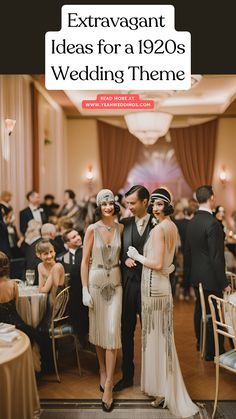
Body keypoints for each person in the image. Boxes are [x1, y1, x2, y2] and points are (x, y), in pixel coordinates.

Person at [127, 188, 199, 418]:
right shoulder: (172, 226)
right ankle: (162, 389)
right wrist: (165, 267)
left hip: (154, 290)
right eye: (154, 204)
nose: (156, 208)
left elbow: (157, 263)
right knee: (160, 340)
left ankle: (164, 390)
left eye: (160, 205)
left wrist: (136, 256)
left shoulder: (159, 229)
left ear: (167, 206)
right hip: (161, 287)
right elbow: (167, 262)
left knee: (158, 340)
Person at [81, 189, 123, 412]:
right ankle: (102, 370)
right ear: (99, 207)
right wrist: (84, 289)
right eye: (103, 204)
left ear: (115, 205)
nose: (107, 207)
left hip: (116, 285)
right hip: (95, 283)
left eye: (110, 204)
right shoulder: (91, 229)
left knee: (111, 331)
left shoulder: (121, 227)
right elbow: (84, 261)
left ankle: (109, 385)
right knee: (98, 330)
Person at [114, 185, 153, 392]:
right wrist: (124, 260)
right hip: (129, 286)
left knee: (150, 332)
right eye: (127, 203)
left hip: (149, 285)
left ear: (145, 202)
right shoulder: (125, 223)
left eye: (132, 203)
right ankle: (127, 375)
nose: (128, 207)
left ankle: (151, 378)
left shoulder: (157, 224)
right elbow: (117, 252)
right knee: (126, 331)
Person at [184, 185, 230, 360]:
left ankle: (200, 343)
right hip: (211, 277)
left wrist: (188, 279)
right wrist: (224, 283)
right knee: (214, 314)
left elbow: (188, 252)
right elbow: (216, 257)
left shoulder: (192, 222)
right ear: (211, 198)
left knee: (200, 310)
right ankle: (213, 351)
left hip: (197, 276)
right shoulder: (212, 223)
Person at [61, 228, 89, 346]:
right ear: (67, 243)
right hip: (73, 293)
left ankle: (85, 337)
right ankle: (79, 336)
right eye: (73, 237)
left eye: (78, 234)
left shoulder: (85, 251)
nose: (78, 237)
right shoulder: (64, 257)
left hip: (86, 288)